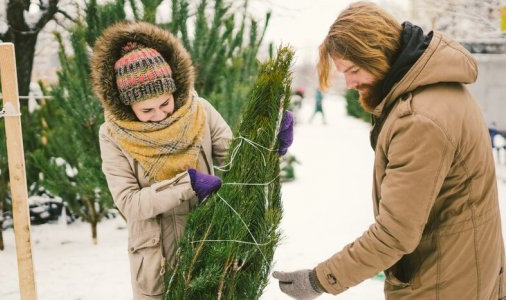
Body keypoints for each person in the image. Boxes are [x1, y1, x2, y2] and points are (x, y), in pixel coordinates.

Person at [272, 2, 506, 299]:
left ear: (378, 53)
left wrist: (319, 280)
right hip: (466, 270)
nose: (350, 82)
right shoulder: (440, 89)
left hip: (442, 283)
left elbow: (395, 234)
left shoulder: (419, 119)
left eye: (354, 70)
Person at [91, 22, 293, 299]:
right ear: (128, 105)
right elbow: (129, 202)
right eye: (146, 110)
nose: (160, 115)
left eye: (165, 103)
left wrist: (270, 146)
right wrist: (187, 184)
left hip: (211, 248)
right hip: (158, 264)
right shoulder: (113, 135)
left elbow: (235, 163)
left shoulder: (201, 112)